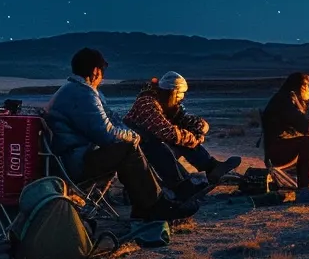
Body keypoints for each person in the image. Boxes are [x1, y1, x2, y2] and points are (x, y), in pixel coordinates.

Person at [46, 48, 200, 221]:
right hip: (76, 163)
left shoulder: (73, 90)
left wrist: (132, 134)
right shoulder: (82, 93)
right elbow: (106, 135)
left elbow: (111, 118)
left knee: (136, 141)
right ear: (96, 72)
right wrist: (133, 137)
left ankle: (155, 201)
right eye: (102, 74)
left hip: (70, 159)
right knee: (127, 149)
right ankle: (153, 206)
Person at [123, 71, 242, 194]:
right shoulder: (147, 103)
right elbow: (167, 132)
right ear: (172, 92)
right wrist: (194, 139)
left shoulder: (166, 103)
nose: (181, 98)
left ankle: (211, 167)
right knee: (165, 144)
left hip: (148, 146)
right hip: (136, 149)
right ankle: (180, 185)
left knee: (180, 137)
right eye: (180, 95)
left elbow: (183, 120)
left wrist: (199, 126)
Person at [260, 72, 309, 203]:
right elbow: (305, 125)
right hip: (276, 152)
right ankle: (305, 189)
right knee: (307, 142)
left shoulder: (286, 98)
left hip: (277, 148)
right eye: (307, 87)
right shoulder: (286, 101)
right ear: (301, 86)